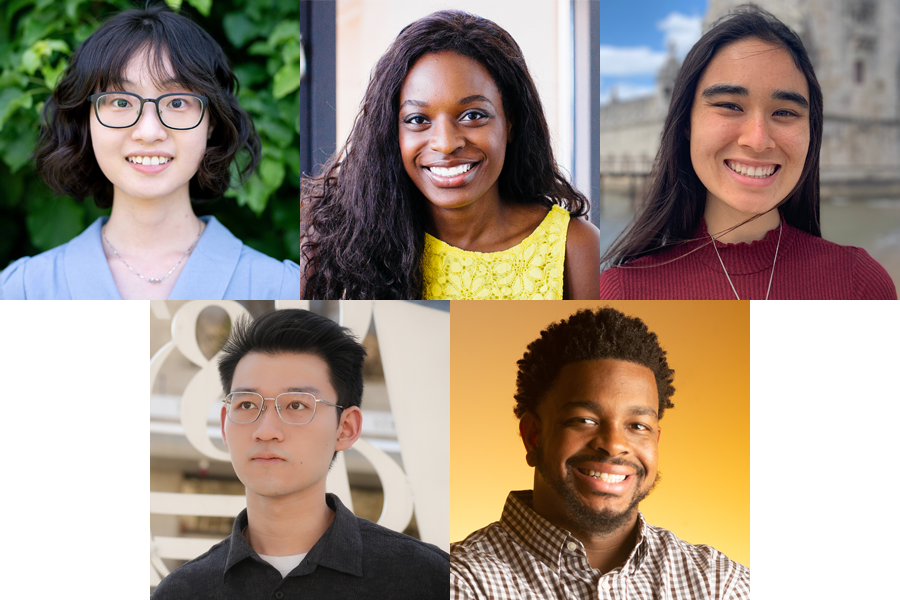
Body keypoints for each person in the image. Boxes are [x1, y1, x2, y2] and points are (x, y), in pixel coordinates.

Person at [0, 4, 300, 300]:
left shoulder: (285, 290)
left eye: (178, 102)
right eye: (120, 102)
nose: (149, 132)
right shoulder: (23, 291)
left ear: (212, 123)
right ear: (85, 119)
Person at [597, 5, 896, 300]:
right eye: (730, 106)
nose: (757, 139)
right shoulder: (621, 294)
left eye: (784, 112)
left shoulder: (860, 285)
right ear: (685, 122)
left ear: (811, 131)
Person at [300, 10, 604, 300]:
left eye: (472, 115)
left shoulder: (574, 247)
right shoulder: (331, 243)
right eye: (418, 120)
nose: (445, 144)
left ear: (511, 122)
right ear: (391, 132)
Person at [451, 307, 750, 599]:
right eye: (585, 420)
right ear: (533, 436)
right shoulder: (457, 581)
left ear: (656, 441)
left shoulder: (720, 584)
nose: (613, 443)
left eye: (637, 425)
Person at [151, 309, 448, 599]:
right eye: (247, 405)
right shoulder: (183, 591)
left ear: (345, 428)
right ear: (225, 427)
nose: (266, 430)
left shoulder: (429, 579)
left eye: (296, 405)